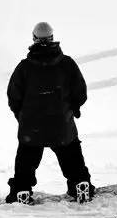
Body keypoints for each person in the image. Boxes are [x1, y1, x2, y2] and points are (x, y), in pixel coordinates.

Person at [6, 22, 94, 203]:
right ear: (53, 38)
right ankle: (80, 183)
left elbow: (13, 97)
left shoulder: (24, 68)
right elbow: (80, 93)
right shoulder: (67, 64)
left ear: (33, 39)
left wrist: (22, 116)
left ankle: (21, 190)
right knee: (72, 155)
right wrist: (71, 110)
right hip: (61, 125)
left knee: (26, 160)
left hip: (32, 127)